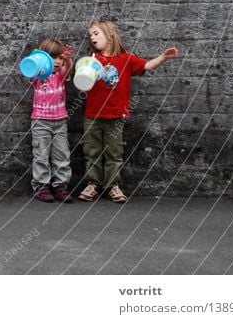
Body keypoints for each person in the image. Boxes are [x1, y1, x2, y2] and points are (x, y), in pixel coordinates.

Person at [77, 19, 179, 203]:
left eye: (96, 33)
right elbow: (83, 82)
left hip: (116, 115)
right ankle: (92, 184)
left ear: (110, 35)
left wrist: (163, 57)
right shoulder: (92, 59)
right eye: (90, 35)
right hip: (92, 114)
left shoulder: (126, 59)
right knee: (91, 151)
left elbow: (147, 66)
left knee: (114, 152)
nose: (92, 37)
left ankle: (112, 185)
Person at [29, 39, 74, 203]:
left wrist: (68, 59)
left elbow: (68, 69)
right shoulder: (39, 76)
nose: (57, 62)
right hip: (40, 122)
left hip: (60, 122)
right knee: (41, 155)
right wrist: (37, 59)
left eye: (60, 58)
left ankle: (60, 186)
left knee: (62, 156)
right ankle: (41, 186)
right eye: (53, 58)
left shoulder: (60, 75)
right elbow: (29, 69)